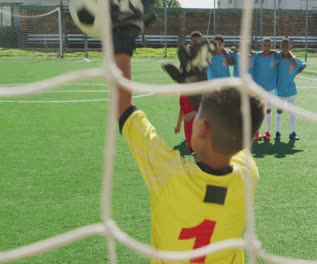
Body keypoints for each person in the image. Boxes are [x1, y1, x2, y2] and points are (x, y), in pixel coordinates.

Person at [111, 2, 266, 263]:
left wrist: (121, 42)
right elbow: (124, 106)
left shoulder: (169, 175)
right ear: (248, 141)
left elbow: (125, 109)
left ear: (201, 127)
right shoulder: (248, 176)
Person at [275, 38, 306, 141]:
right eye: (283, 46)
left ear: (290, 47)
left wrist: (295, 74)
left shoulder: (294, 59)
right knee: (279, 112)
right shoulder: (278, 57)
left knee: (292, 112)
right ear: (280, 47)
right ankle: (277, 133)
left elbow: (303, 65)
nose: (284, 48)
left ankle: (292, 133)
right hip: (279, 90)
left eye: (287, 46)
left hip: (291, 90)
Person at [252, 38, 280, 141]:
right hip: (258, 88)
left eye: (269, 45)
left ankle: (267, 132)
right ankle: (257, 132)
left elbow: (285, 54)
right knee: (258, 111)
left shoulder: (275, 56)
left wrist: (274, 51)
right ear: (261, 45)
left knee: (268, 111)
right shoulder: (257, 56)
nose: (266, 47)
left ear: (271, 46)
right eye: (265, 45)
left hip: (271, 88)